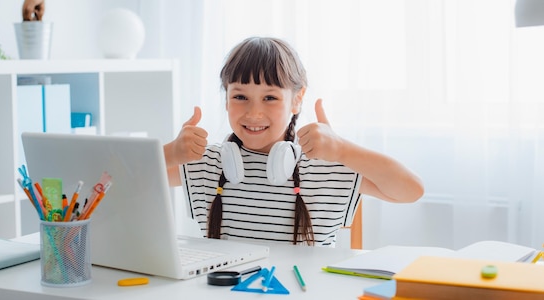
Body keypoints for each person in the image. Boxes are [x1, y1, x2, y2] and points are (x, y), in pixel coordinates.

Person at [164, 37, 424, 246]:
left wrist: (343, 150)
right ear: (226, 99)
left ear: (297, 99)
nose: (254, 113)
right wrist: (170, 154)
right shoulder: (205, 164)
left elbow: (411, 190)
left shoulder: (325, 167)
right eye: (240, 97)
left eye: (270, 98)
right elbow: (123, 183)